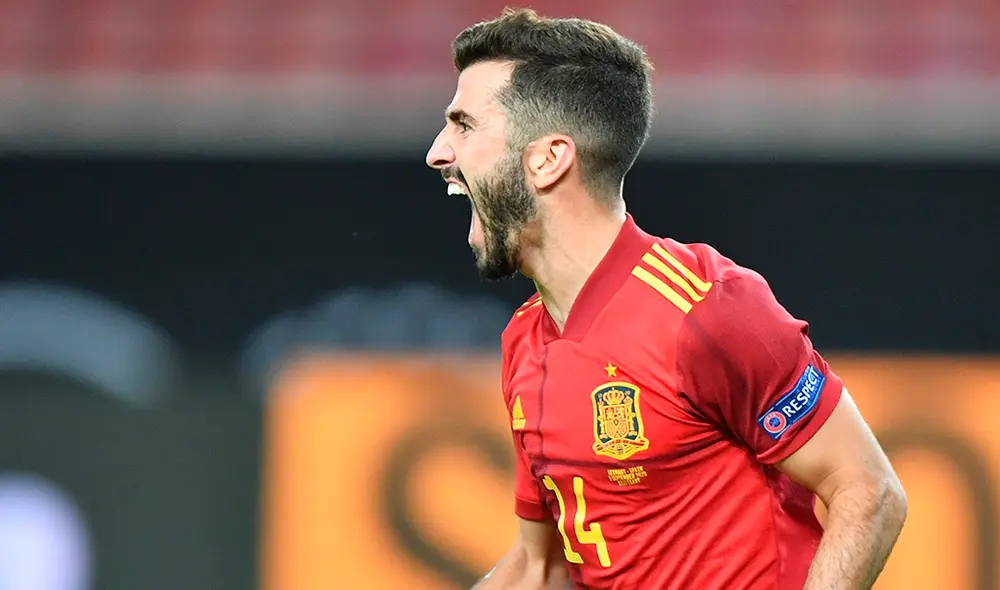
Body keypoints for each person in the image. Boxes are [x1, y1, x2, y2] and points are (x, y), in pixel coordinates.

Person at [424, 8, 907, 590]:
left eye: (464, 124)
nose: (437, 151)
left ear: (548, 159)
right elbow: (542, 566)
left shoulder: (708, 309)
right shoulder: (525, 341)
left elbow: (868, 491)